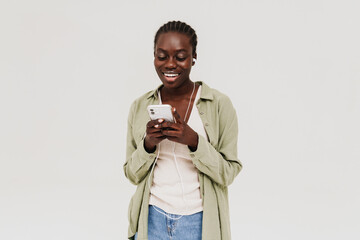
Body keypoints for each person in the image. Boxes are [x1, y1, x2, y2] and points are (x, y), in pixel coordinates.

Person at [124, 21, 242, 240]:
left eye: (180, 57)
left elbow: (228, 173)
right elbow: (131, 174)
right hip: (151, 220)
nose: (170, 64)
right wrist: (148, 144)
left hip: (198, 223)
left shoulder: (218, 104)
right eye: (162, 56)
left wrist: (194, 141)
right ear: (154, 57)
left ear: (193, 57)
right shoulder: (140, 106)